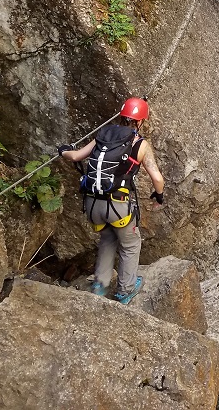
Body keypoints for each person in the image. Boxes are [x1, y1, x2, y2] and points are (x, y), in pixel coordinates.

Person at [58, 97, 164, 304]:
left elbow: (76, 156)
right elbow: (157, 178)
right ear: (141, 121)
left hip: (92, 203)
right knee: (131, 244)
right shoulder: (139, 144)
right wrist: (158, 195)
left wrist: (63, 150)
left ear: (122, 115)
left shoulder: (103, 135)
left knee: (107, 239)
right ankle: (125, 290)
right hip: (117, 206)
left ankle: (100, 284)